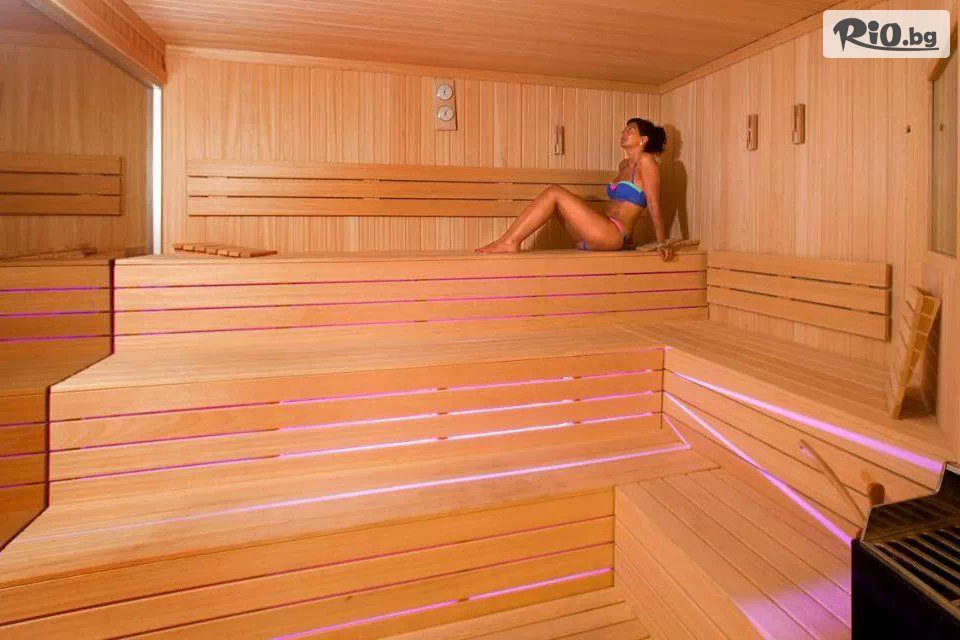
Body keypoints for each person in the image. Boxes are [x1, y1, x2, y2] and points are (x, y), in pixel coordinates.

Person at [476, 118, 672, 260]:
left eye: (631, 130)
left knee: (555, 192)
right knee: (556, 203)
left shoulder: (647, 162)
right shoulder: (623, 165)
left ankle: (509, 242)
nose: (624, 132)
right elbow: (622, 205)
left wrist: (661, 242)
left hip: (612, 234)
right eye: (624, 129)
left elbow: (653, 204)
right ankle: (507, 240)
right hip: (598, 234)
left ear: (643, 139)